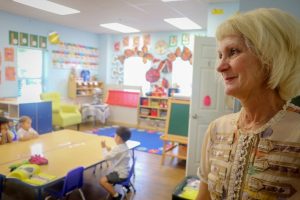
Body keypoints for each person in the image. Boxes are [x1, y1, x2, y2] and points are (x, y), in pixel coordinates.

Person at [197, 8, 300, 200]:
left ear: (270, 57)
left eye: (233, 52)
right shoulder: (216, 129)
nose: (220, 67)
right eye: (220, 55)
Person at [99, 126, 131, 200]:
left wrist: (103, 147)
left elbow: (105, 157)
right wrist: (106, 146)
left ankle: (116, 195)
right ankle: (125, 186)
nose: (114, 136)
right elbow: (113, 150)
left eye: (115, 135)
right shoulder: (124, 145)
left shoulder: (118, 149)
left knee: (102, 181)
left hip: (120, 175)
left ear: (119, 138)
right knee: (107, 177)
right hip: (125, 171)